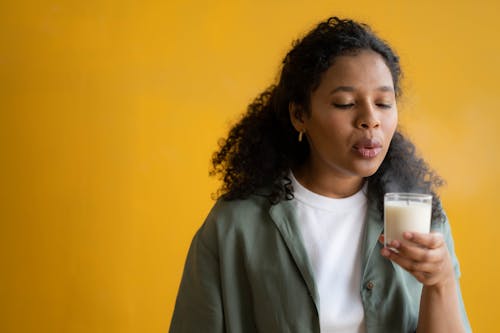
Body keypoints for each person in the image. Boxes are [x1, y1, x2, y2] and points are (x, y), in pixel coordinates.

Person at [170, 17, 472, 333]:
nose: (371, 120)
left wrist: (441, 281)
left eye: (383, 102)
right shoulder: (234, 225)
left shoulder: (420, 219)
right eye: (345, 103)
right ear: (300, 115)